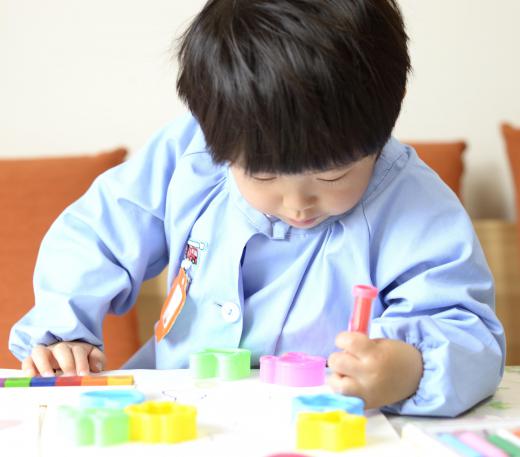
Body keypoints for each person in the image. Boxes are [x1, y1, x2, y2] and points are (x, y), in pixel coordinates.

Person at [9, 0, 504, 417]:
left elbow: (468, 335)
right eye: (262, 176)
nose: (297, 205)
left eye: (332, 176)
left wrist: (410, 368)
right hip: (177, 413)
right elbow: (99, 232)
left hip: (322, 424)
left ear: (377, 137)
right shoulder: (192, 155)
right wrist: (63, 331)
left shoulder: (414, 203)